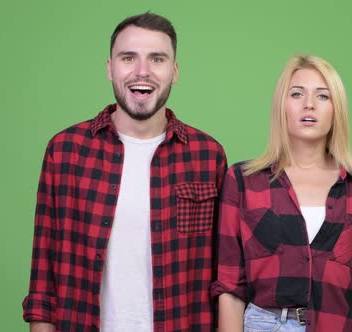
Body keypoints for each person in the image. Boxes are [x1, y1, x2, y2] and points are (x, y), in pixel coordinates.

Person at [22, 12, 227, 332]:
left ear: (174, 72)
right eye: (128, 57)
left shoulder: (207, 156)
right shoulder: (65, 151)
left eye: (157, 59)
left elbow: (221, 276)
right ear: (110, 68)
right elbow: (43, 276)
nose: (142, 72)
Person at [212, 55, 352, 332]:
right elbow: (229, 286)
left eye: (323, 96)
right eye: (297, 93)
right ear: (281, 106)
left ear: (337, 110)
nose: (309, 104)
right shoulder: (243, 181)